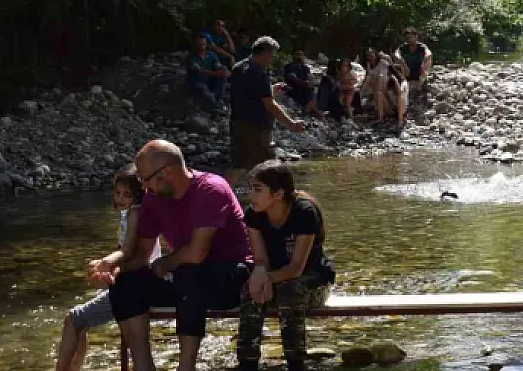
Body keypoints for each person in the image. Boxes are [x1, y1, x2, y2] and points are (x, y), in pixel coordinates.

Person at [101, 140, 253, 371]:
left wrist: (164, 263)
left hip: (232, 278)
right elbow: (142, 256)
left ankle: (185, 366)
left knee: (188, 271)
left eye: (145, 178)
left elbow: (196, 253)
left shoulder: (211, 189)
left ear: (167, 173)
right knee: (125, 283)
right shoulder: (154, 198)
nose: (143, 186)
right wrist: (112, 269)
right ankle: (143, 365)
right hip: (186, 281)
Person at [55, 165, 162, 371]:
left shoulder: (135, 215)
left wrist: (108, 263)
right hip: (133, 279)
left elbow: (130, 252)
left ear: (139, 195)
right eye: (117, 192)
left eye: (127, 194)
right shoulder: (133, 213)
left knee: (73, 319)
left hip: (133, 285)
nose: (120, 198)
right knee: (77, 320)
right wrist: (109, 268)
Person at [237, 161, 335, 371]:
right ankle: (247, 362)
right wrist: (259, 275)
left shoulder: (304, 212)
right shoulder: (254, 214)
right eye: (250, 189)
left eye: (257, 190)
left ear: (278, 194)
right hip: (275, 280)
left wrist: (267, 279)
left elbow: (296, 268)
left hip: (313, 282)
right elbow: (260, 259)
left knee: (290, 290)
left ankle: (296, 362)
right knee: (248, 290)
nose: (251, 196)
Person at [230, 36, 306, 171]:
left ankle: (223, 191)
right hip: (256, 128)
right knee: (265, 169)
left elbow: (247, 93)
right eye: (272, 56)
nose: (272, 60)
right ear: (266, 53)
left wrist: (271, 89)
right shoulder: (260, 73)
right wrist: (291, 124)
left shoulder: (238, 67)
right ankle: (266, 192)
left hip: (237, 124)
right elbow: (270, 105)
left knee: (238, 165)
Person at [186, 35, 229, 109]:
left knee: (223, 68)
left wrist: (224, 71)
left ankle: (219, 98)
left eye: (203, 44)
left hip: (210, 81)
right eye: (199, 45)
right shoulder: (191, 57)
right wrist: (217, 74)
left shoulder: (211, 55)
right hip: (198, 82)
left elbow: (218, 65)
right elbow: (200, 71)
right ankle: (216, 104)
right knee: (204, 90)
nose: (202, 47)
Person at [283, 50, 322, 118]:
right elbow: (291, 78)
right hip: (293, 87)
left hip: (305, 88)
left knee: (313, 91)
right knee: (304, 92)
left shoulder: (305, 68)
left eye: (301, 55)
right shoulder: (289, 67)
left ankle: (310, 108)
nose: (299, 57)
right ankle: (312, 110)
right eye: (297, 54)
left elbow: (309, 78)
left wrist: (310, 83)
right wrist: (304, 83)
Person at [394, 27, 432, 96]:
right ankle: (403, 82)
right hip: (407, 72)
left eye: (411, 37)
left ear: (416, 37)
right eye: (408, 38)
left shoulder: (421, 47)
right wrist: (402, 62)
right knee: (397, 62)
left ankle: (419, 86)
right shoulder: (403, 47)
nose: (409, 39)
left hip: (420, 71)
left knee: (428, 59)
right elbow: (396, 54)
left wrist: (423, 63)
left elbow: (429, 53)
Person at [386, 60, 409, 129]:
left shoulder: (403, 83)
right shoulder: (389, 83)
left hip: (401, 108)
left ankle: (400, 120)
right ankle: (380, 116)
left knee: (400, 97)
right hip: (392, 106)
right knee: (380, 93)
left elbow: (400, 92)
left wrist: (396, 81)